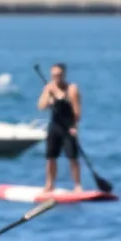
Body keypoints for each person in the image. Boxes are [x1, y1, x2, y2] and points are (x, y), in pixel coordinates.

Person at [37, 62, 82, 192]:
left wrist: (74, 126)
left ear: (64, 75)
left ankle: (77, 185)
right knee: (50, 157)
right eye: (54, 75)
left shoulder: (72, 88)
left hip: (69, 127)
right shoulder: (49, 88)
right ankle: (49, 184)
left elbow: (77, 112)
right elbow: (40, 106)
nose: (57, 78)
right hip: (55, 126)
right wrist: (49, 100)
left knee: (72, 157)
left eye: (59, 75)